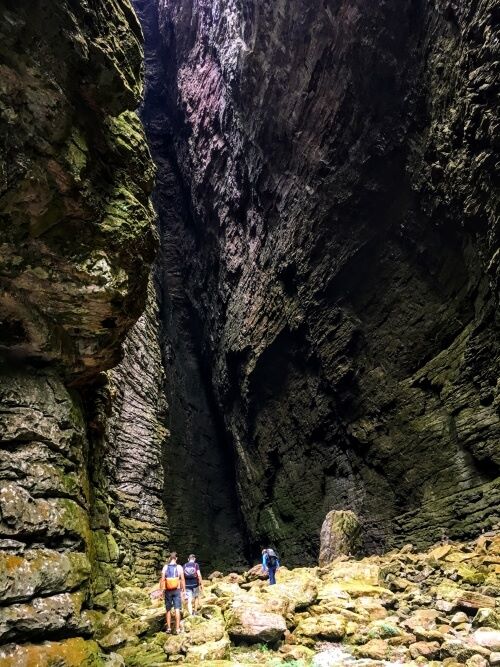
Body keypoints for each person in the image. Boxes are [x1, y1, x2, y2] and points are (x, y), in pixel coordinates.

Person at [160, 552, 185, 634]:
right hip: (177, 590)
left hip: (168, 590)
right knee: (177, 609)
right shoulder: (179, 567)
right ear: (176, 558)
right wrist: (183, 590)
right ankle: (177, 629)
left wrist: (161, 590)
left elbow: (163, 579)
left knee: (168, 610)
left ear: (169, 558)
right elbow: (182, 579)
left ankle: (169, 628)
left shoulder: (165, 567)